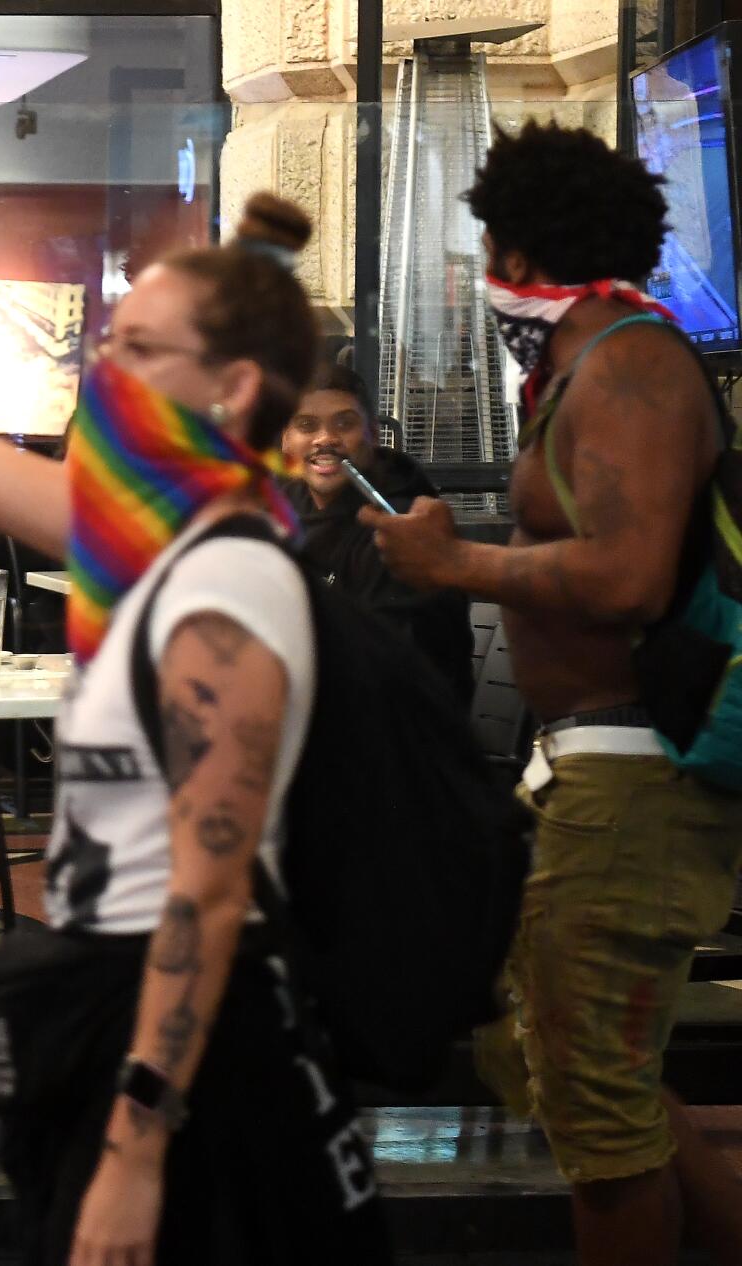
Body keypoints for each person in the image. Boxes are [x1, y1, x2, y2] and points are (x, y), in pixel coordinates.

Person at [0, 98, 388, 1262]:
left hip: (186, 1046)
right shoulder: (141, 538)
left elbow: (207, 892)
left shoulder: (223, 592)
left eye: (135, 348)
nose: (103, 366)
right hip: (119, 1003)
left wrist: (134, 1150)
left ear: (229, 392)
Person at [365, 121, 742, 1266]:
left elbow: (624, 576)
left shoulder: (627, 361)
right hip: (592, 763)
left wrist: (451, 564)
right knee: (578, 1077)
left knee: (592, 1109)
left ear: (518, 250)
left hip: (636, 778)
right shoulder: (590, 361)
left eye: (486, 242)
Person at [279, 361, 472, 699]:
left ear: (373, 434)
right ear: (285, 440)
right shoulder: (279, 510)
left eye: (345, 424)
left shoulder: (404, 527)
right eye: (307, 425)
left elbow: (399, 674)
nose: (326, 439)